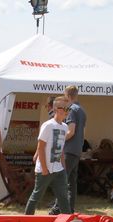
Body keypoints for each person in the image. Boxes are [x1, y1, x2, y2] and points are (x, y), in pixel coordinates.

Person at [24, 96, 70, 215]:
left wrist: (63, 167)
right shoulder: (48, 125)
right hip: (45, 169)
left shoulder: (65, 127)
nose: (67, 111)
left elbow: (61, 149)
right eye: (64, 108)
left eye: (68, 108)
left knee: (64, 197)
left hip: (58, 169)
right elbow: (40, 147)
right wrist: (44, 168)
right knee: (37, 196)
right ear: (56, 109)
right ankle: (26, 221)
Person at [48, 85, 86, 214]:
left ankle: (57, 208)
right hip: (77, 150)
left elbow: (71, 131)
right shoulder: (82, 110)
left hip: (69, 150)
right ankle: (69, 208)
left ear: (67, 96)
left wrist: (59, 141)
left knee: (62, 180)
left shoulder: (71, 110)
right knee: (71, 182)